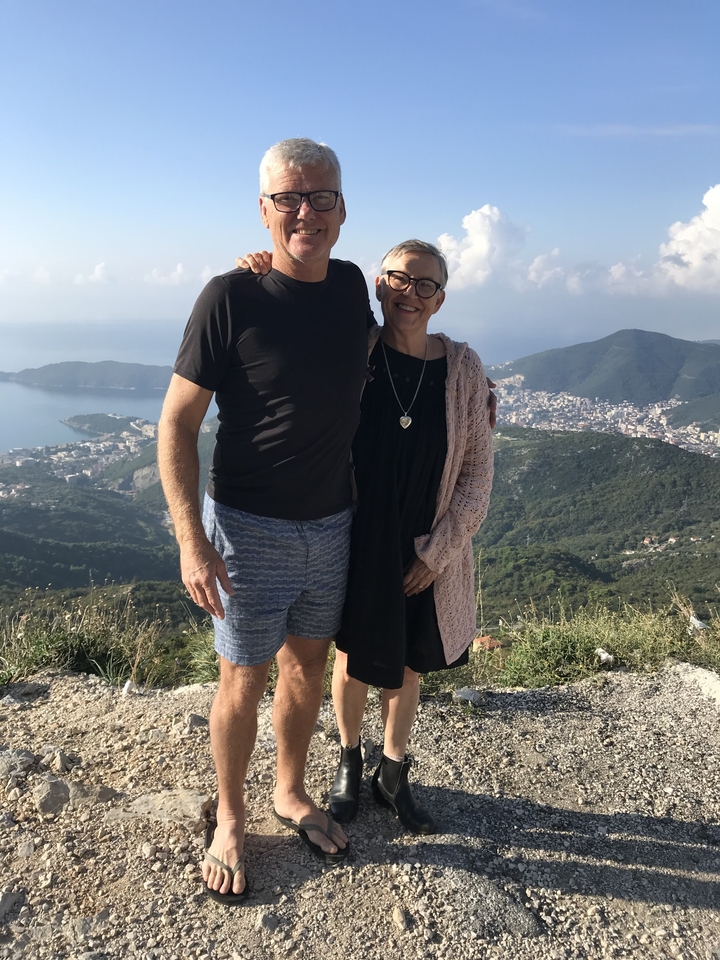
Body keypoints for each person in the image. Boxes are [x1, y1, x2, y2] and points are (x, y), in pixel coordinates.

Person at [158, 138, 375, 905]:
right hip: (248, 529)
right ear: (263, 207)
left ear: (343, 210)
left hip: (334, 523)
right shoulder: (230, 297)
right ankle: (230, 816)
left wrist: (466, 376)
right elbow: (176, 425)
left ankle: (288, 790)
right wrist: (192, 540)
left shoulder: (353, 288)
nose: (305, 211)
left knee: (306, 670)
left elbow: (405, 336)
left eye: (321, 197)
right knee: (243, 678)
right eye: (288, 198)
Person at [239, 240, 494, 835]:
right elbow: (293, 323)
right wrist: (261, 271)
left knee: (408, 661)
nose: (410, 293)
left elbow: (478, 474)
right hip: (356, 532)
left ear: (441, 299)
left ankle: (394, 770)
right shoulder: (355, 350)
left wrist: (440, 552)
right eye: (399, 280)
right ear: (378, 286)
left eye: (425, 284)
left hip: (426, 538)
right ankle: (351, 761)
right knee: (352, 654)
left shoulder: (462, 369)